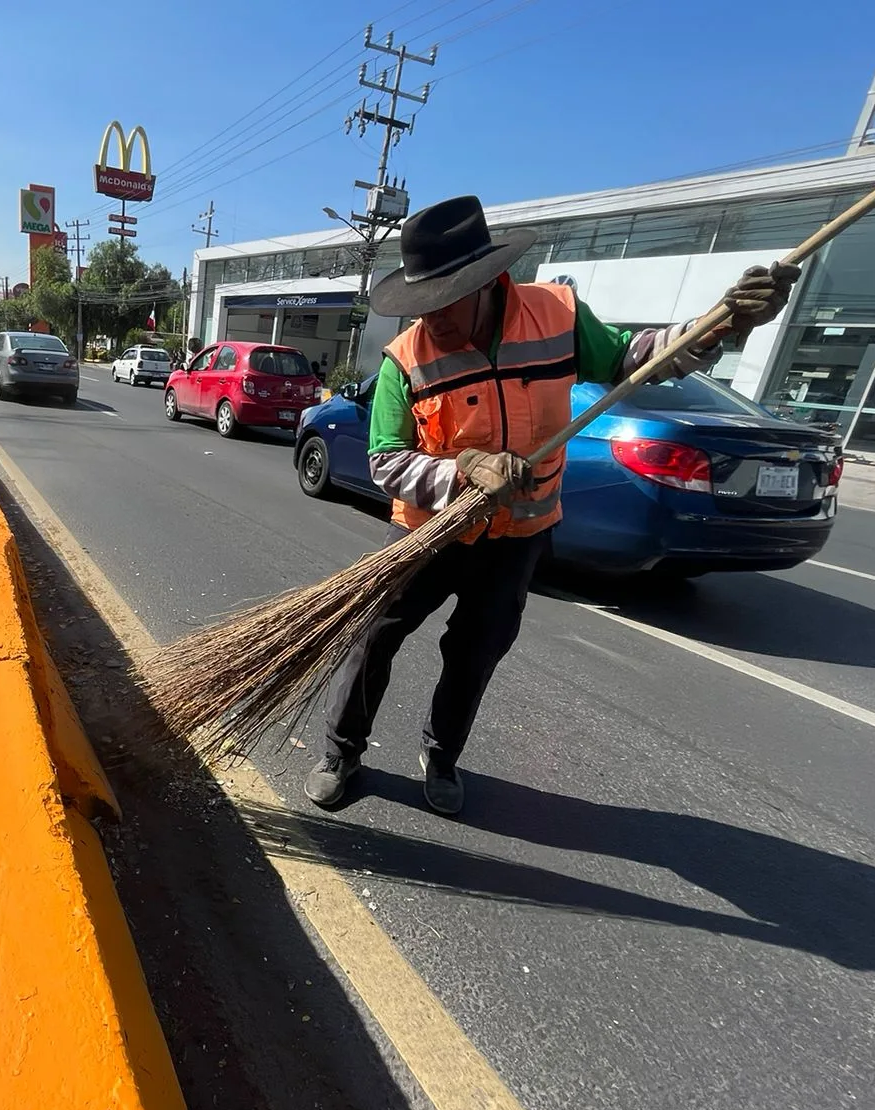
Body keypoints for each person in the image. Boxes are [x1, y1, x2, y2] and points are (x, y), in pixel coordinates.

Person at [303, 196, 799, 815]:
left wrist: (722, 323)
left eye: (441, 298)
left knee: (476, 653)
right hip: (427, 537)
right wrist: (462, 471)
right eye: (420, 303)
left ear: (482, 283)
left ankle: (441, 754)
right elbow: (385, 460)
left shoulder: (554, 315)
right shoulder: (407, 358)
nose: (430, 317)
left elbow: (632, 358)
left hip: (518, 538)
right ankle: (341, 751)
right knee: (372, 637)